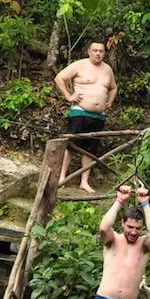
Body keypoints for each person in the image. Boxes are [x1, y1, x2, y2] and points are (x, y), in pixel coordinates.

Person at [54, 40, 118, 193]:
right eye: (95, 50)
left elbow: (114, 87)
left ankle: (84, 181)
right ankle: (62, 177)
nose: (98, 53)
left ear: (104, 53)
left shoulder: (107, 69)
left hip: (98, 115)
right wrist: (69, 96)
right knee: (71, 145)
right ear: (89, 52)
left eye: (101, 51)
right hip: (80, 111)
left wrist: (110, 100)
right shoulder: (80, 65)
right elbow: (59, 78)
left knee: (90, 149)